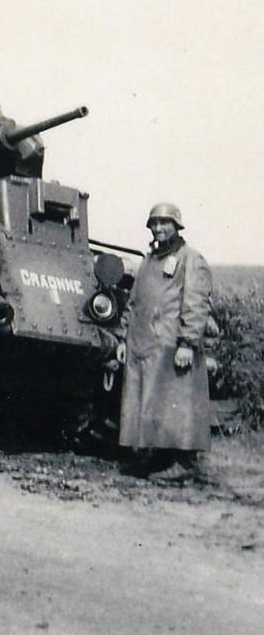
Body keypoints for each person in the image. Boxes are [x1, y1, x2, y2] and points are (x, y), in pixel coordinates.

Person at [116, 202, 213, 480]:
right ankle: (155, 458)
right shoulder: (148, 261)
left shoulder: (189, 258)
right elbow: (133, 302)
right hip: (142, 344)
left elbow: (195, 303)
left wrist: (187, 343)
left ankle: (184, 464)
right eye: (154, 223)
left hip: (171, 345)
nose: (159, 228)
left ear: (176, 226)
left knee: (177, 403)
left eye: (164, 223)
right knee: (147, 403)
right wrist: (124, 337)